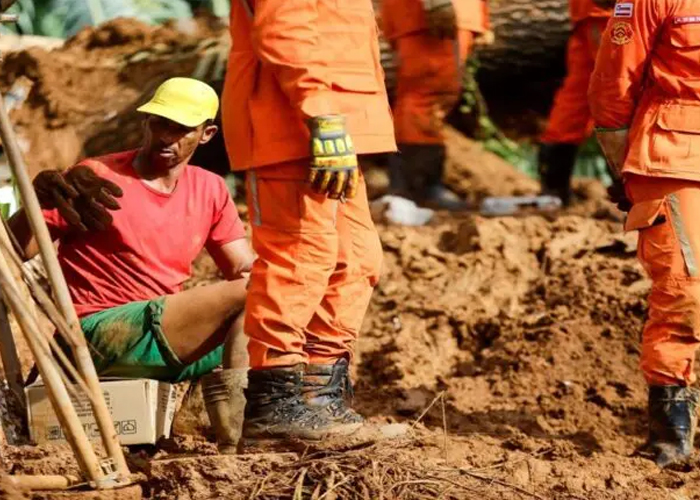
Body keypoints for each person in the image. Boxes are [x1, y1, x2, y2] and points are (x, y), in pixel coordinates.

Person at [9, 77, 255, 454]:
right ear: (145, 123)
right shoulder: (97, 177)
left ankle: (214, 426)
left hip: (159, 334)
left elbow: (242, 267)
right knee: (253, 294)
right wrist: (34, 204)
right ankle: (233, 445)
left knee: (271, 305)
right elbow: (12, 250)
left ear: (206, 135)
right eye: (159, 123)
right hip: (94, 333)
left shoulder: (210, 189)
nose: (166, 137)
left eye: (181, 129)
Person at [222, 0, 401, 443]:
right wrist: (321, 112)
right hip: (295, 124)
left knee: (356, 260)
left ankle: (319, 398)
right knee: (300, 257)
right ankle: (274, 405)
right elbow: (284, 27)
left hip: (334, 129)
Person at [589, 0, 700, 468]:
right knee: (686, 292)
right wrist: (624, 172)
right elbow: (613, 88)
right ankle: (671, 439)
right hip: (673, 156)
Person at [381, 0, 492, 211]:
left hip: (424, 15)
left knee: (426, 95)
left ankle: (412, 187)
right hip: (431, 14)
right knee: (426, 96)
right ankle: (418, 188)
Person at [539, 0, 615, 205]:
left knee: (579, 95)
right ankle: (635, 191)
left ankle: (554, 189)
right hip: (608, 12)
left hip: (594, 12)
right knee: (620, 88)